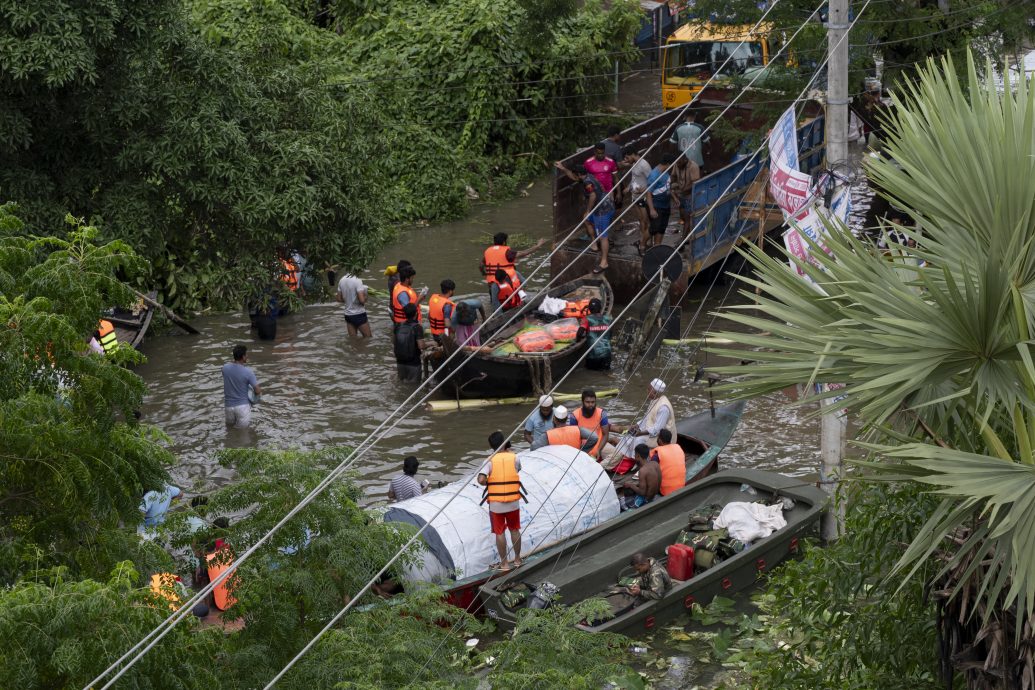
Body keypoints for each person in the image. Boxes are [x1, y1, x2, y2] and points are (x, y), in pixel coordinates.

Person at [477, 431, 524, 571]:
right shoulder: (515, 457)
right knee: (514, 530)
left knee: (500, 533)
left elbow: (480, 480)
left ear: (491, 445)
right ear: (505, 442)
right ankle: (517, 559)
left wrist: (489, 483)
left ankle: (504, 564)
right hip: (513, 501)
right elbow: (518, 470)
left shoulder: (489, 460)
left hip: (496, 504)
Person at [554, 161, 612, 274]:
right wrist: (563, 168)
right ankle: (594, 244)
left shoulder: (588, 182)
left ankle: (604, 262)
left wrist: (588, 211)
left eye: (576, 175)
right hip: (601, 206)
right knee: (587, 221)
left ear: (580, 174)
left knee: (603, 236)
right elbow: (574, 177)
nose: (576, 177)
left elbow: (593, 195)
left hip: (602, 210)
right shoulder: (587, 176)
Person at [480, 232, 545, 287]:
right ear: (504, 242)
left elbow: (481, 265)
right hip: (505, 280)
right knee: (521, 280)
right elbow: (524, 253)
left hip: (491, 282)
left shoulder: (487, 251)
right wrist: (538, 246)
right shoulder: (508, 252)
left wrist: (484, 273)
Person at [222, 345, 261, 428]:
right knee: (243, 435)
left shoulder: (225, 368)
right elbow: (257, 391)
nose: (247, 356)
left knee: (229, 431)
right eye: (246, 355)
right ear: (243, 357)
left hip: (228, 406)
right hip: (242, 408)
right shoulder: (248, 372)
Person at [622, 147, 653, 252]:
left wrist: (644, 189)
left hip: (643, 197)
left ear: (632, 154)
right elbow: (634, 178)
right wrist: (628, 187)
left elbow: (652, 179)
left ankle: (647, 242)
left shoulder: (644, 165)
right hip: (635, 196)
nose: (626, 160)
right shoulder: (634, 164)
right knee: (640, 220)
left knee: (646, 220)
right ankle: (642, 239)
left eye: (627, 157)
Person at [568, 389, 611, 460]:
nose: (590, 405)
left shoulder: (602, 413)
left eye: (593, 402)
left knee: (617, 454)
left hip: (599, 445)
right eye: (587, 402)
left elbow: (605, 434)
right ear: (582, 402)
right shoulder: (574, 415)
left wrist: (599, 450)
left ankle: (600, 467)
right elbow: (573, 437)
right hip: (583, 447)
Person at [646, 154, 676, 245]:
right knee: (654, 228)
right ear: (667, 164)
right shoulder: (654, 175)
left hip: (666, 205)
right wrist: (651, 209)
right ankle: (642, 244)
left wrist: (674, 198)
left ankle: (657, 246)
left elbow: (667, 187)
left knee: (662, 227)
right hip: (656, 205)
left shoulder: (665, 172)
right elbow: (648, 193)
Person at [619, 445, 661, 510]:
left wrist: (631, 485)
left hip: (647, 500)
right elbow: (656, 482)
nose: (634, 457)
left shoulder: (642, 471)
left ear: (638, 456)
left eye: (635, 455)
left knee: (621, 501)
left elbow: (642, 492)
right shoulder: (655, 464)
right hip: (655, 495)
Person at [393, 303, 426, 383]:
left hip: (400, 362)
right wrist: (431, 343)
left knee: (402, 384)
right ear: (416, 313)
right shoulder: (417, 327)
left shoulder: (398, 326)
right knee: (414, 388)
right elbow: (421, 346)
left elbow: (394, 342)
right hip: (413, 364)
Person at [669, 154, 701, 237]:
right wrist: (671, 185)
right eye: (677, 163)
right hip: (681, 195)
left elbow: (695, 184)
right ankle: (688, 237)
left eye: (679, 163)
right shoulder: (677, 164)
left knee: (688, 219)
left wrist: (682, 190)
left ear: (685, 160)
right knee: (683, 217)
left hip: (690, 196)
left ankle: (683, 240)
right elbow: (673, 176)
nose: (678, 165)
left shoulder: (693, 166)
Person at [579, 298, 612, 370]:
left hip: (593, 357)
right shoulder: (608, 319)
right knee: (605, 372)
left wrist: (578, 340)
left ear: (589, 309)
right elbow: (610, 335)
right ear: (600, 308)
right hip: (607, 355)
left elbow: (579, 334)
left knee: (590, 373)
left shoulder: (586, 319)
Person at [336, 272, 371, 338]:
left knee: (353, 339)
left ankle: (354, 348)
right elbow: (362, 300)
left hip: (348, 315)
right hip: (358, 314)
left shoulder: (341, 280)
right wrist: (366, 295)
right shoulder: (357, 280)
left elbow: (338, 299)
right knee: (368, 338)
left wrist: (348, 301)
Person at [652, 428, 686, 496]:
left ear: (660, 440)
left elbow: (651, 473)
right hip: (681, 486)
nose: (657, 440)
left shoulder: (657, 454)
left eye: (658, 438)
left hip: (666, 491)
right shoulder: (678, 448)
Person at [427, 279, 457, 344]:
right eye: (453, 290)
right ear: (450, 291)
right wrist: (454, 328)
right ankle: (449, 344)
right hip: (442, 336)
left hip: (434, 333)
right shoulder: (447, 305)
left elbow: (429, 317)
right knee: (453, 328)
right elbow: (447, 324)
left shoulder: (434, 298)